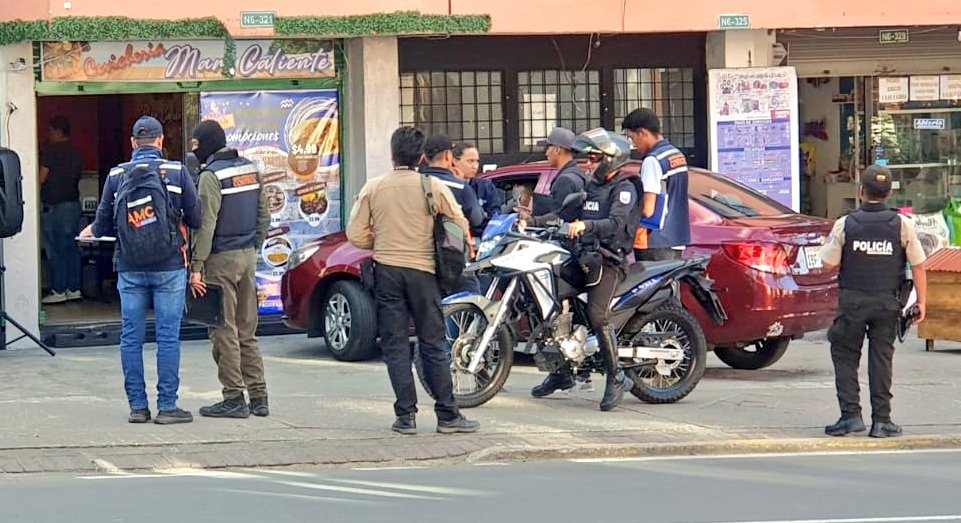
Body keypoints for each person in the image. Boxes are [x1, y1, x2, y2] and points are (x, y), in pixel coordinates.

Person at [346, 126, 480, 435]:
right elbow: (458, 226)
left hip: (387, 272)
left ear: (392, 155)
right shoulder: (433, 186)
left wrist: (380, 243)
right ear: (421, 157)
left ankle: (405, 416)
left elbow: (355, 234)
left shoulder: (374, 187)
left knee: (395, 346)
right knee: (433, 344)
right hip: (424, 274)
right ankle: (447, 414)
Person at [79, 116, 201, 424]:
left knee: (131, 337)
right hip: (170, 266)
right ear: (161, 141)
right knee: (168, 337)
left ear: (134, 143)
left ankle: (137, 407)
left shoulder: (117, 175)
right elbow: (197, 219)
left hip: (130, 267)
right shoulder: (177, 172)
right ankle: (168, 407)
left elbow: (103, 224)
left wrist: (90, 229)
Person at [522, 128, 642, 411]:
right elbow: (566, 215)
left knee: (597, 315)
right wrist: (533, 221)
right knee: (552, 300)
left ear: (611, 159)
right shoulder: (591, 185)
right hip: (582, 257)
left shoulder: (624, 189)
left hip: (608, 260)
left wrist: (587, 226)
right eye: (588, 158)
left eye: (594, 158)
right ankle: (562, 372)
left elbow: (615, 223)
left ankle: (616, 377)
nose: (588, 163)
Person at [819, 165, 927, 439]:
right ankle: (882, 420)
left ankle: (850, 416)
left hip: (853, 301)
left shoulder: (846, 223)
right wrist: (921, 303)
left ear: (861, 191)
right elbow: (919, 266)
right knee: (881, 359)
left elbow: (828, 264)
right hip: (887, 302)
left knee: (844, 355)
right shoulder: (902, 224)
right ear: (889, 192)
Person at [188, 120, 271, 419]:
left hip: (220, 260)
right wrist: (254, 245)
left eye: (196, 146)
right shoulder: (249, 168)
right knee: (247, 329)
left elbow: (206, 224)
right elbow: (265, 214)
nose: (193, 152)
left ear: (207, 144)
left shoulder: (211, 176)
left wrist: (197, 265)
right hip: (247, 256)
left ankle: (234, 397)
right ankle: (259, 396)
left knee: (224, 331)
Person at [621, 108, 691, 262]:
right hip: (676, 237)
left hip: (655, 240)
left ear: (643, 133)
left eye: (632, 138)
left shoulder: (653, 160)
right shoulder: (676, 155)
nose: (633, 145)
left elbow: (648, 209)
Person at [39, 115, 84, 304]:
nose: (48, 135)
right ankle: (74, 288)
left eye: (50, 131)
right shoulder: (75, 151)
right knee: (72, 248)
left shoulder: (51, 150)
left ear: (58, 131)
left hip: (55, 207)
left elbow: (42, 177)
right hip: (73, 205)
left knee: (55, 248)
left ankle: (58, 289)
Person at [420, 135, 485, 233]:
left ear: (424, 157)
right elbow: (477, 220)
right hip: (451, 245)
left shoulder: (415, 183)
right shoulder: (460, 186)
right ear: (447, 155)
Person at [536, 127, 586, 222]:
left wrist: (531, 221)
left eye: (547, 148)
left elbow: (560, 217)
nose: (546, 153)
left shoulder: (565, 180)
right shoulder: (579, 174)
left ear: (557, 150)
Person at [454, 142, 502, 223]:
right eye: (470, 161)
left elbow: (495, 215)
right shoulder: (448, 185)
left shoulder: (485, 186)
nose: (475, 166)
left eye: (477, 161)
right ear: (455, 161)